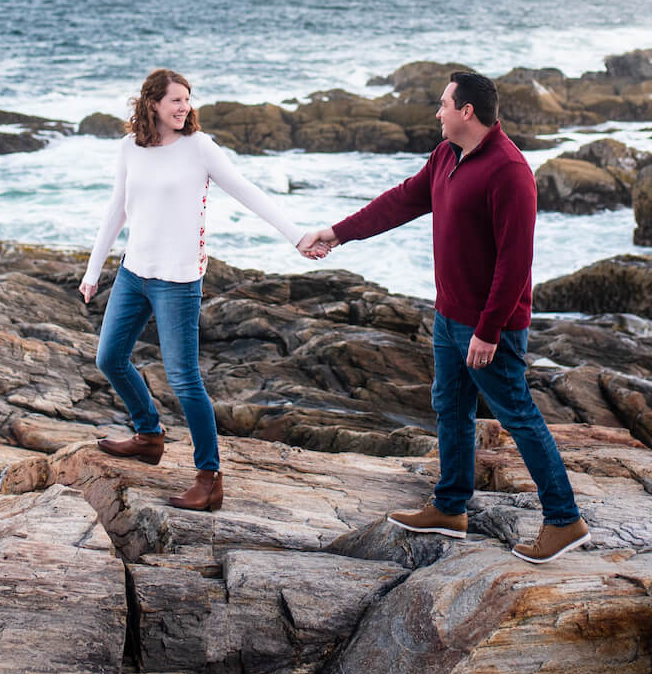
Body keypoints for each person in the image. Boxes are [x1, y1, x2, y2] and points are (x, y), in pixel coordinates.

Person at [299, 70, 590, 563]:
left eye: (443, 105)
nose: (437, 113)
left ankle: (564, 520)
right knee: (449, 407)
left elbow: (515, 263)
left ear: (467, 112)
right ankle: (450, 506)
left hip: (487, 327)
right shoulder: (446, 155)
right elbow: (402, 200)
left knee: (516, 413)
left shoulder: (510, 171)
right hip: (448, 315)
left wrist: (488, 330)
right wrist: (337, 232)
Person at [80, 68, 324, 513]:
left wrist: (296, 235)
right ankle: (148, 434)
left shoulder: (200, 147)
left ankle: (209, 477)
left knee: (185, 380)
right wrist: (93, 271)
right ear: (152, 102)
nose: (184, 107)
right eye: (176, 100)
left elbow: (248, 192)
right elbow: (117, 209)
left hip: (179, 280)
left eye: (188, 99)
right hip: (134, 273)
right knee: (109, 358)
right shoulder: (129, 147)